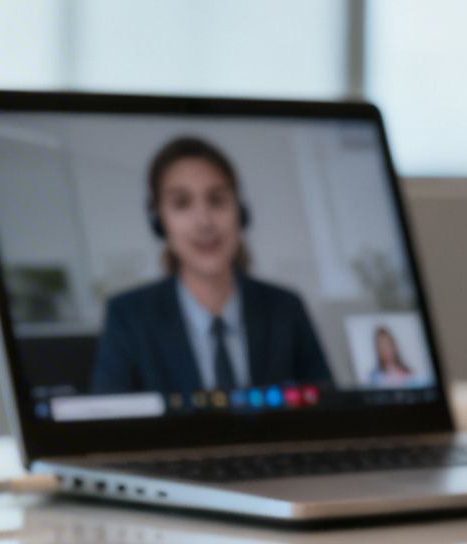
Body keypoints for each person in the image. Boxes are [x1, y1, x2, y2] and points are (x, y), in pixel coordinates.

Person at [91, 136, 333, 395]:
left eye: (217, 200)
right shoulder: (128, 317)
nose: (204, 221)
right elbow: (107, 427)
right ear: (159, 222)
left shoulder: (286, 308)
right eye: (182, 203)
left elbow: (329, 413)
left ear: (240, 212)